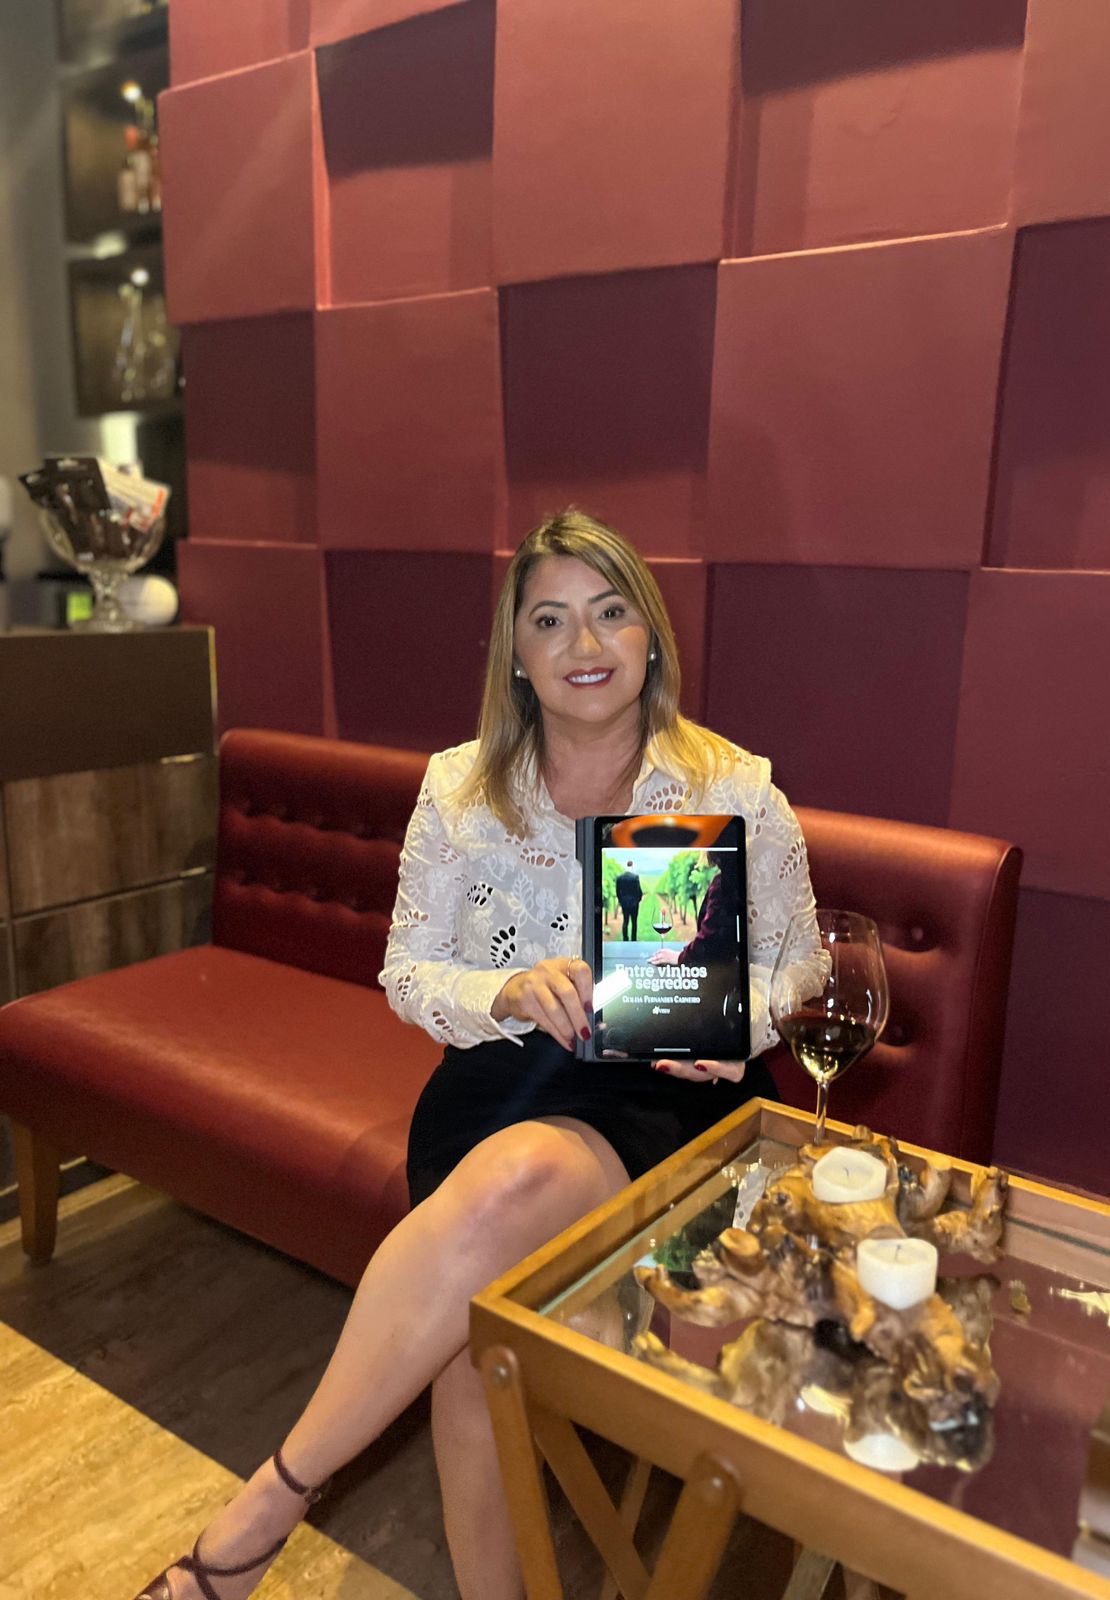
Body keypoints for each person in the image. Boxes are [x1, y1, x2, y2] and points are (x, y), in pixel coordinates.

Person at [135, 509, 825, 1600]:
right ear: (516, 653)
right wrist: (502, 988)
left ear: (650, 636)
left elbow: (807, 971)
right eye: (549, 620)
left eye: (609, 612)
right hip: (500, 1082)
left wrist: (737, 1023)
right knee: (472, 1338)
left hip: (670, 1098)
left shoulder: (733, 786)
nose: (583, 643)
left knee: (485, 1294)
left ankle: (266, 1507)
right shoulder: (459, 788)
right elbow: (407, 971)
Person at [615, 858, 643, 939]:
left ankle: (625, 939)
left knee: (625, 921)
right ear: (632, 866)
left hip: (624, 904)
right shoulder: (635, 877)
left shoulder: (619, 878)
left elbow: (617, 892)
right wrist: (638, 900)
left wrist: (621, 901)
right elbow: (639, 891)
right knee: (634, 922)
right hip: (634, 904)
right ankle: (633, 939)